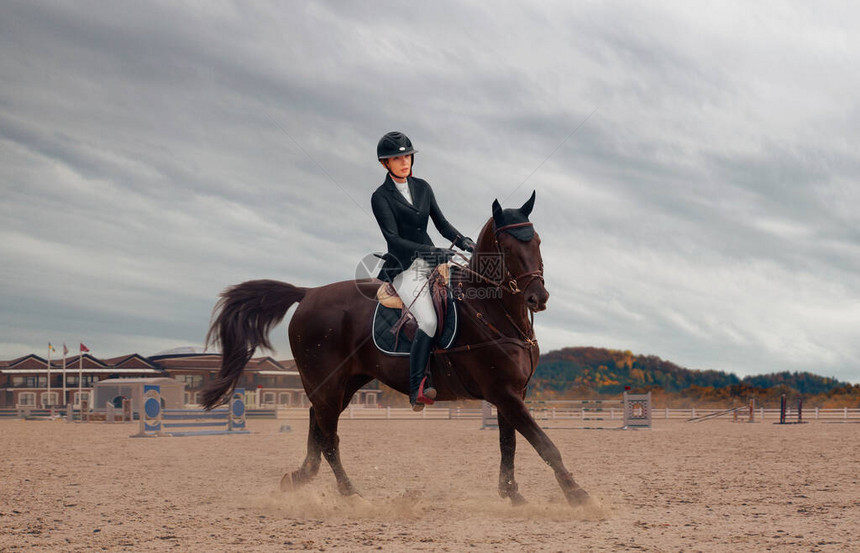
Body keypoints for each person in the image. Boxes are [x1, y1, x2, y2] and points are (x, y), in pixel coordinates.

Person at [370, 131, 476, 410]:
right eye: (396, 158)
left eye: (407, 156)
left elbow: (441, 224)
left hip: (433, 262)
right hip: (404, 267)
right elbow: (393, 240)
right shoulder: (380, 197)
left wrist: (462, 241)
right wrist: (432, 251)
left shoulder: (423, 187)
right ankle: (417, 385)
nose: (404, 161)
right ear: (385, 164)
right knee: (427, 321)